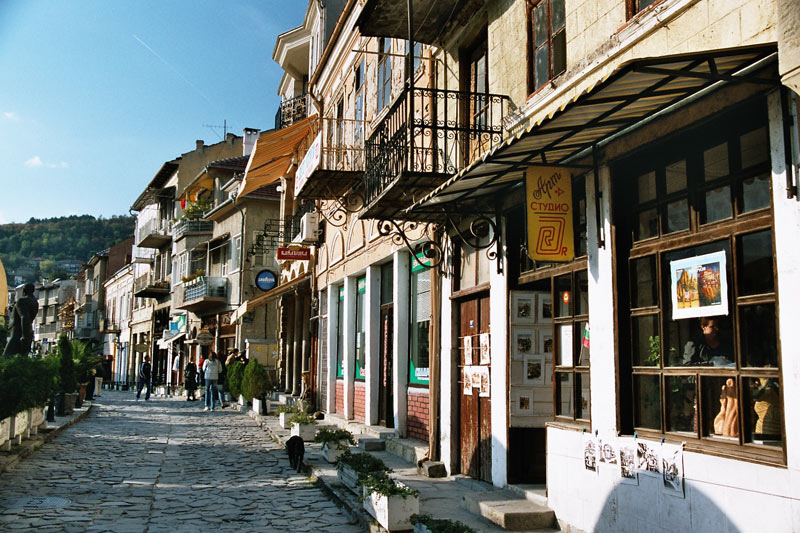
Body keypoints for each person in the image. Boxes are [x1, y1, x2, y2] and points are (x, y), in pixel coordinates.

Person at [2, 283, 38, 358]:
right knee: (22, 358)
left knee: (6, 357)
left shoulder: (22, 301)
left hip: (17, 333)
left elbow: (24, 317)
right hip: (27, 331)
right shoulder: (35, 302)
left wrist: (24, 336)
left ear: (24, 290)